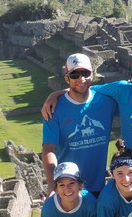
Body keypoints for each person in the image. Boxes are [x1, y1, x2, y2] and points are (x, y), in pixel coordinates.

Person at [42, 53, 118, 196]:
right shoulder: (54, 109)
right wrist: (53, 184)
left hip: (98, 188)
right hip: (70, 189)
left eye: (85, 73)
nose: (81, 79)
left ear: (92, 75)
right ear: (67, 78)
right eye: (75, 75)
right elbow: (48, 149)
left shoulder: (107, 102)